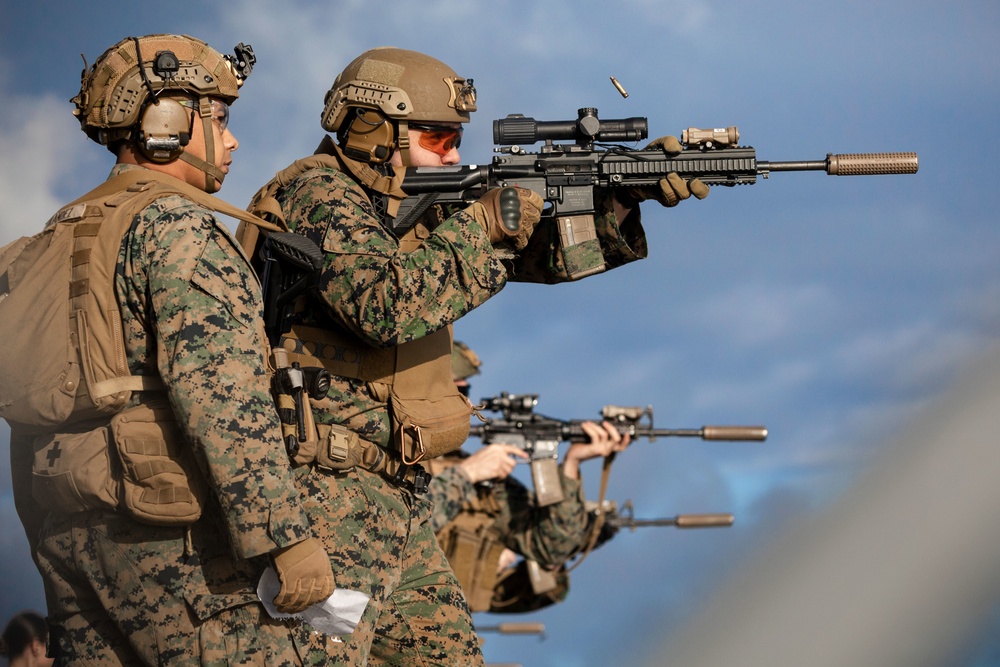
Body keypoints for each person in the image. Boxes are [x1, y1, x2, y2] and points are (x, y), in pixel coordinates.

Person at [244, 46, 704, 665]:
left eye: (458, 138)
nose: (455, 156)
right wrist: (488, 220)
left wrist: (624, 192)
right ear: (376, 129)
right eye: (438, 138)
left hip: (395, 491)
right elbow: (386, 303)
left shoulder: (407, 207)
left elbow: (540, 255)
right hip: (325, 494)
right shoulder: (316, 193)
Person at [4, 34, 333, 665]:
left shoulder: (51, 238)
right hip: (173, 544)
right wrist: (284, 539)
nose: (232, 140)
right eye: (219, 118)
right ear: (166, 124)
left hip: (64, 538)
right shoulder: (175, 228)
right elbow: (222, 398)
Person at [426, 341, 629, 613]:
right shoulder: (377, 453)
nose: (469, 404)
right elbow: (394, 529)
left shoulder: (477, 478)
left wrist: (571, 463)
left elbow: (550, 548)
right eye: (459, 391)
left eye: (468, 392)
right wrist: (466, 475)